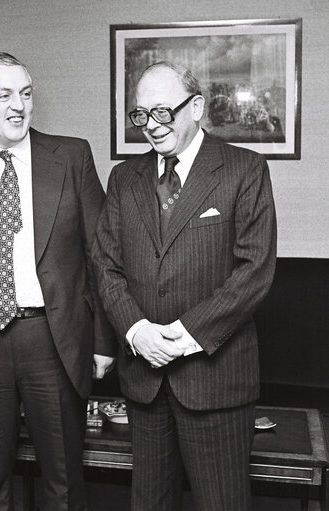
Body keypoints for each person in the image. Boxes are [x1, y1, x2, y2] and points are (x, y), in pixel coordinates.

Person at [0, 52, 116, 510]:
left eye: (26, 94)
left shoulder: (71, 156)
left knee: (63, 481)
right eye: (4, 95)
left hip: (52, 337)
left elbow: (100, 255)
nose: (19, 106)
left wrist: (104, 340)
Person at [92, 62, 277, 510]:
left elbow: (254, 271)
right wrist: (137, 332)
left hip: (216, 381)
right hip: (144, 381)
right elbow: (105, 265)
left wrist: (182, 337)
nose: (152, 127)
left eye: (162, 112)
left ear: (196, 107)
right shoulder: (124, 178)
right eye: (141, 116)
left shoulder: (244, 169)